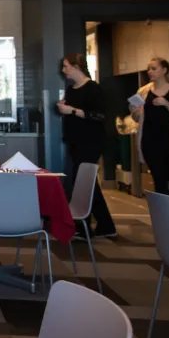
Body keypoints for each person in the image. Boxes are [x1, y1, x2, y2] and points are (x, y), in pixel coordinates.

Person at [57, 53, 117, 239]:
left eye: (66, 66)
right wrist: (64, 108)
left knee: (84, 181)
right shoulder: (71, 89)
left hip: (90, 141)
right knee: (87, 182)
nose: (63, 70)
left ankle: (86, 226)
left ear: (76, 67)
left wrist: (72, 111)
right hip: (75, 140)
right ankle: (103, 224)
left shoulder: (93, 89)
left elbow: (99, 115)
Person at [130, 58, 169, 197]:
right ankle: (162, 209)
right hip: (150, 142)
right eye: (148, 69)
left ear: (164, 70)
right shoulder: (143, 91)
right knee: (159, 182)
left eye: (154, 68)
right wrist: (137, 112)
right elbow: (134, 115)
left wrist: (167, 104)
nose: (150, 72)